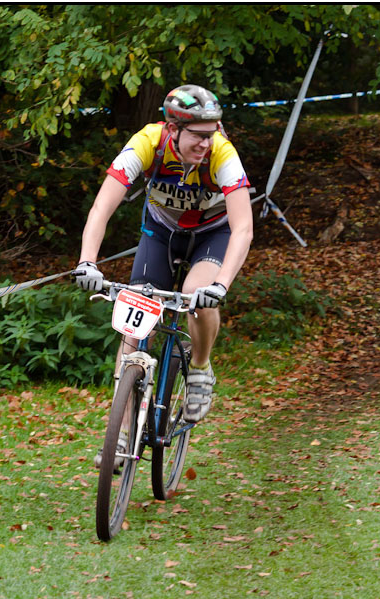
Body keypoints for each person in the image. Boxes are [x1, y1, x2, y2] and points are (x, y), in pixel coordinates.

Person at [75, 85, 252, 466]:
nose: (206, 143)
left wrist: (221, 285)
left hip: (212, 236)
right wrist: (88, 261)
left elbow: (243, 228)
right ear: (172, 129)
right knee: (135, 329)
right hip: (160, 235)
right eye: (198, 135)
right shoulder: (147, 144)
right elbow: (101, 207)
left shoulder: (223, 153)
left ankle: (200, 368)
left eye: (212, 134)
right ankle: (121, 434)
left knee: (197, 293)